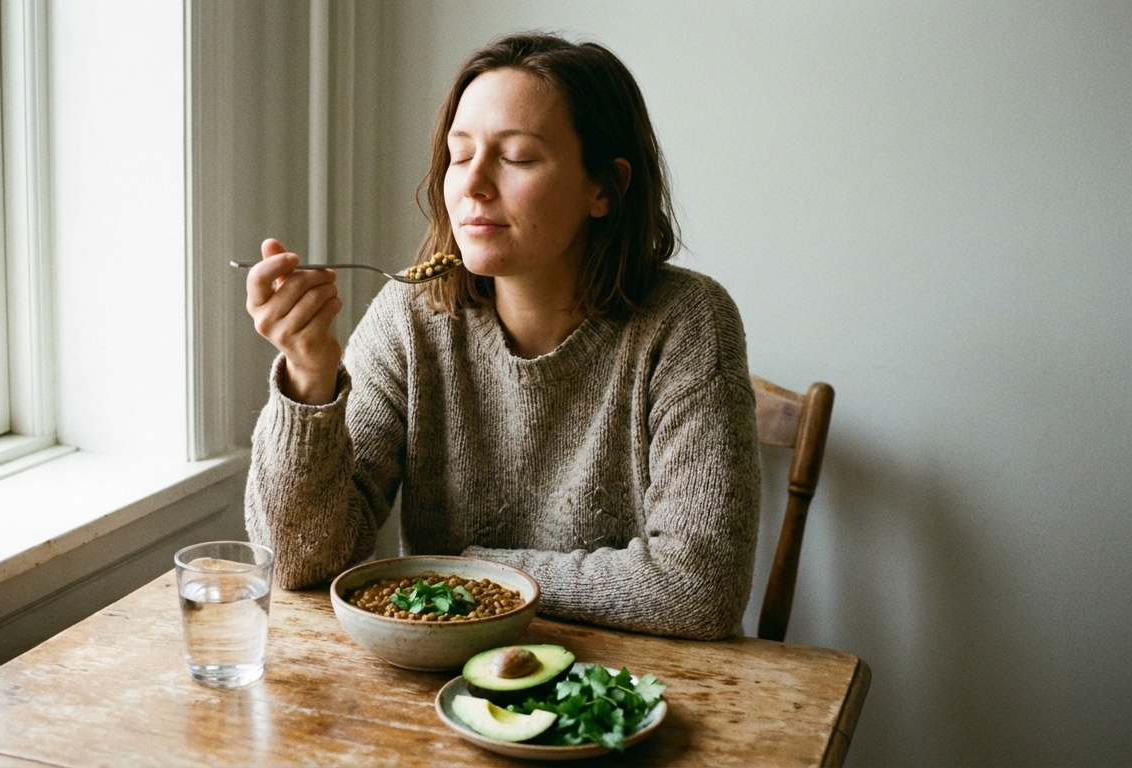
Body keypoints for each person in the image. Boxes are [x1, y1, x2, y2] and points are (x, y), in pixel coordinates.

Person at [243, 33, 759, 641]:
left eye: (516, 157)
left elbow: (699, 589)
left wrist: (476, 573)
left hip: (628, 691)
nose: (474, 185)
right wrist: (307, 377)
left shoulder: (689, 322)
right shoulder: (411, 318)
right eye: (460, 156)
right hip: (436, 687)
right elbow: (300, 564)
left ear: (605, 188)